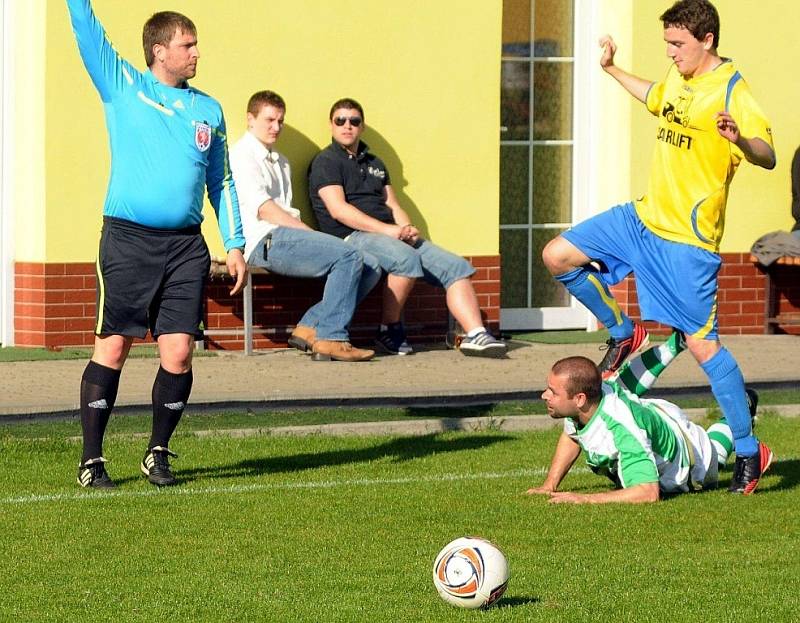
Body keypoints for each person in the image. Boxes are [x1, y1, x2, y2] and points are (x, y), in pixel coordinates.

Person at [540, 0, 775, 493]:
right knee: (557, 255)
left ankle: (750, 453)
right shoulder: (680, 79)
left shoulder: (732, 88)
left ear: (707, 40)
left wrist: (740, 139)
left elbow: (768, 154)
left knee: (702, 345)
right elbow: (656, 97)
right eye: (667, 44)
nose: (670, 53)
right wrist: (610, 71)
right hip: (641, 219)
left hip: (686, 243)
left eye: (677, 44)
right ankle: (625, 331)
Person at [67, 0, 248, 488]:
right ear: (159, 50)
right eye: (187, 45)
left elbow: (222, 180)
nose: (196, 53)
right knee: (115, 347)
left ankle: (158, 453)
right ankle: (91, 460)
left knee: (179, 354)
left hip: (185, 247)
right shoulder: (123, 85)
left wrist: (234, 243)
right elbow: (86, 27)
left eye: (195, 44)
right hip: (127, 242)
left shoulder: (207, 109)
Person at [308, 98, 507, 358]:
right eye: (340, 121)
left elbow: (392, 203)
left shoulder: (376, 163)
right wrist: (387, 230)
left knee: (456, 267)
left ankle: (475, 334)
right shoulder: (326, 161)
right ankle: (388, 329)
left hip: (389, 234)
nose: (347, 126)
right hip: (352, 237)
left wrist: (405, 227)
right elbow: (339, 210)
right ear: (331, 125)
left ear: (362, 126)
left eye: (354, 121)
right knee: (406, 259)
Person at [527, 333, 769, 503]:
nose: (544, 395)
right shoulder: (590, 398)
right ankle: (678, 344)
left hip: (694, 459)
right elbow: (572, 435)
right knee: (708, 442)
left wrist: (585, 499)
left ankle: (745, 419)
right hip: (658, 417)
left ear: (579, 399)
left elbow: (647, 492)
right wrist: (549, 485)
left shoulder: (622, 428)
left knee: (713, 452)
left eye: (552, 391)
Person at [229, 91, 379, 362]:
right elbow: (264, 209)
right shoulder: (241, 155)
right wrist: (308, 233)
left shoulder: (281, 161)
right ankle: (332, 337)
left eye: (281, 121)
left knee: (371, 264)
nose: (276, 127)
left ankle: (310, 327)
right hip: (263, 240)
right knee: (349, 255)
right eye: (269, 120)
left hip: (283, 236)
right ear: (250, 120)